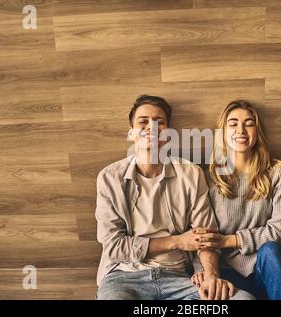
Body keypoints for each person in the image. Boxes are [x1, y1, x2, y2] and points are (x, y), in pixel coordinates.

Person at [95, 95, 255, 300]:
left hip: (179, 279)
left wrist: (211, 275)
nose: (151, 127)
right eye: (143, 121)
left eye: (159, 122)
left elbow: (206, 237)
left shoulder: (191, 174)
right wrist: (177, 241)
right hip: (123, 278)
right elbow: (114, 247)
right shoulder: (110, 178)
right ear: (130, 132)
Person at [191, 100, 281, 300]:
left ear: (257, 131)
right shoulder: (208, 177)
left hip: (265, 268)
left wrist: (230, 240)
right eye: (233, 124)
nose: (241, 130)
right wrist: (203, 270)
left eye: (248, 123)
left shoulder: (277, 172)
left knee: (272, 251)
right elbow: (203, 234)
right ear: (222, 132)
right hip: (225, 272)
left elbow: (279, 231)